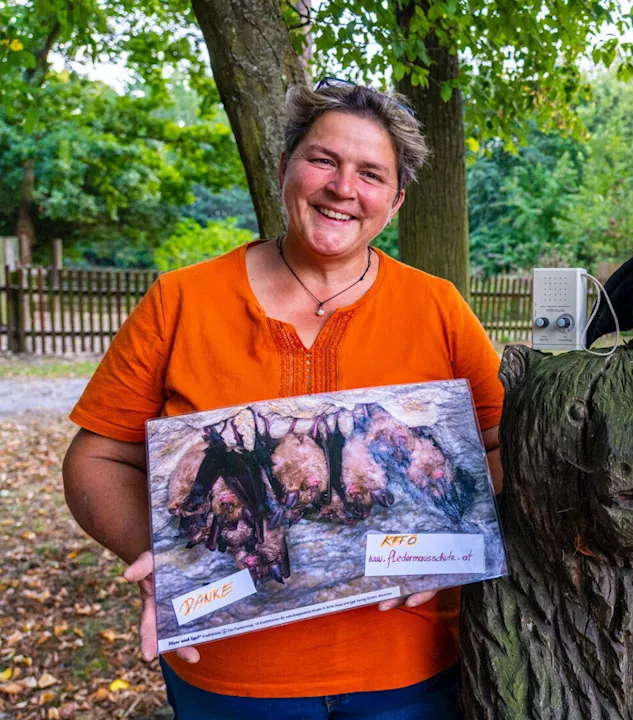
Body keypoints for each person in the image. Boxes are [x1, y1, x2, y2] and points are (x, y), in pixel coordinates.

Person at [61, 79, 504, 719]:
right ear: (285, 167)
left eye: (370, 173)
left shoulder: (437, 309)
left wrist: (453, 538)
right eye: (323, 159)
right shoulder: (182, 301)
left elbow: (499, 448)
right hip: (230, 673)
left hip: (411, 669)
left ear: (396, 200)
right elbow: (95, 460)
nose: (342, 187)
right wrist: (156, 555)